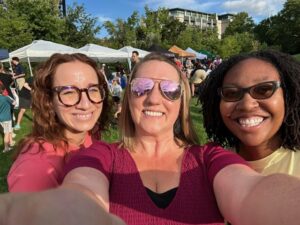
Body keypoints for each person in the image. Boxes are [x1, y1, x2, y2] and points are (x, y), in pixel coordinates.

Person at [3, 52, 296, 225]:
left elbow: (249, 191)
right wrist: (70, 208)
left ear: (182, 100)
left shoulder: (209, 158)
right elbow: (83, 189)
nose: (154, 98)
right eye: (142, 87)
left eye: (169, 88)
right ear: (128, 98)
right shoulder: (98, 156)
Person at [7, 53, 111, 192]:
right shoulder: (36, 168)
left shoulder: (90, 134)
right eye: (68, 92)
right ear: (49, 100)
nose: (86, 104)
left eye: (93, 89)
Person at [199, 50, 300, 176]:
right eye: (231, 93)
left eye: (263, 90)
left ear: (288, 97)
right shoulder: (206, 169)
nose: (246, 105)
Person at [0, 83, 16, 152]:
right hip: (6, 118)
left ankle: (11, 142)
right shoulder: (5, 98)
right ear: (2, 90)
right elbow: (14, 103)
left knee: (7, 131)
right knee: (6, 133)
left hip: (1, 118)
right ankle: (6, 148)